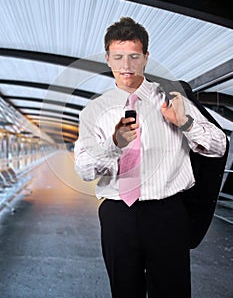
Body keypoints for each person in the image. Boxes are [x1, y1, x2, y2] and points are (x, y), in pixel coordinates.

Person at [74, 17, 227, 298]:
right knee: (124, 292)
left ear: (146, 57)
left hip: (166, 213)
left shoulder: (172, 97)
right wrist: (114, 144)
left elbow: (219, 146)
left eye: (134, 56)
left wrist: (185, 123)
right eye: (118, 57)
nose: (126, 66)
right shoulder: (94, 110)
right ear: (107, 59)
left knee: (173, 292)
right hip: (117, 213)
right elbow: (84, 169)